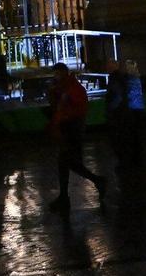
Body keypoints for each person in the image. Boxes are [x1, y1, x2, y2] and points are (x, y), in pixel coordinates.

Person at [45, 63, 104, 214]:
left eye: (57, 74)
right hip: (68, 130)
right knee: (68, 163)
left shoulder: (72, 89)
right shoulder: (64, 88)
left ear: (63, 73)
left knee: (67, 162)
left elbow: (73, 109)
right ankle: (96, 182)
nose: (55, 77)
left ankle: (67, 196)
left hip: (71, 130)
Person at [105, 60, 146, 173]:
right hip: (130, 113)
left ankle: (126, 163)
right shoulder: (128, 78)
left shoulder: (115, 79)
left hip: (121, 114)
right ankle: (135, 162)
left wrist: (111, 110)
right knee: (131, 138)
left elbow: (118, 96)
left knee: (121, 140)